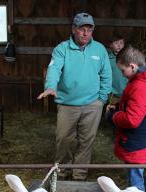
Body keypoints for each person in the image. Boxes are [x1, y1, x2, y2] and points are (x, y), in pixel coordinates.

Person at [37, 12, 112, 181]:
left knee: (87, 141)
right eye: (81, 29)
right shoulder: (62, 49)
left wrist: (101, 99)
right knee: (63, 138)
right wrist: (50, 86)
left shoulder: (99, 49)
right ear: (73, 29)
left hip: (93, 104)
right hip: (67, 104)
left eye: (89, 29)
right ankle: (62, 172)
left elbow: (107, 74)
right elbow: (54, 68)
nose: (85, 33)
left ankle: (79, 174)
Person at [106, 45, 146, 191]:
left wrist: (114, 116)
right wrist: (120, 107)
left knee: (135, 183)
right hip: (143, 139)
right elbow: (140, 109)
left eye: (123, 70)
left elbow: (132, 119)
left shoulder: (141, 85)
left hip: (137, 143)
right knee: (135, 177)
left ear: (133, 66)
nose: (122, 74)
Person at [108, 34, 128, 105]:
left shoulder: (128, 58)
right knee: (112, 113)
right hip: (113, 94)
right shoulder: (108, 59)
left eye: (121, 43)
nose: (119, 45)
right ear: (111, 45)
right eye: (116, 43)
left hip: (127, 93)